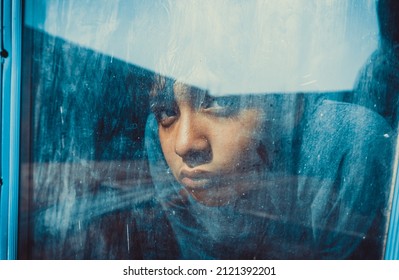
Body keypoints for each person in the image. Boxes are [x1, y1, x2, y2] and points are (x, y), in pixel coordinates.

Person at [144, 76, 395, 259]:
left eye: (220, 101)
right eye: (166, 112)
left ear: (289, 106)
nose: (184, 144)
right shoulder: (156, 137)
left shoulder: (348, 145)